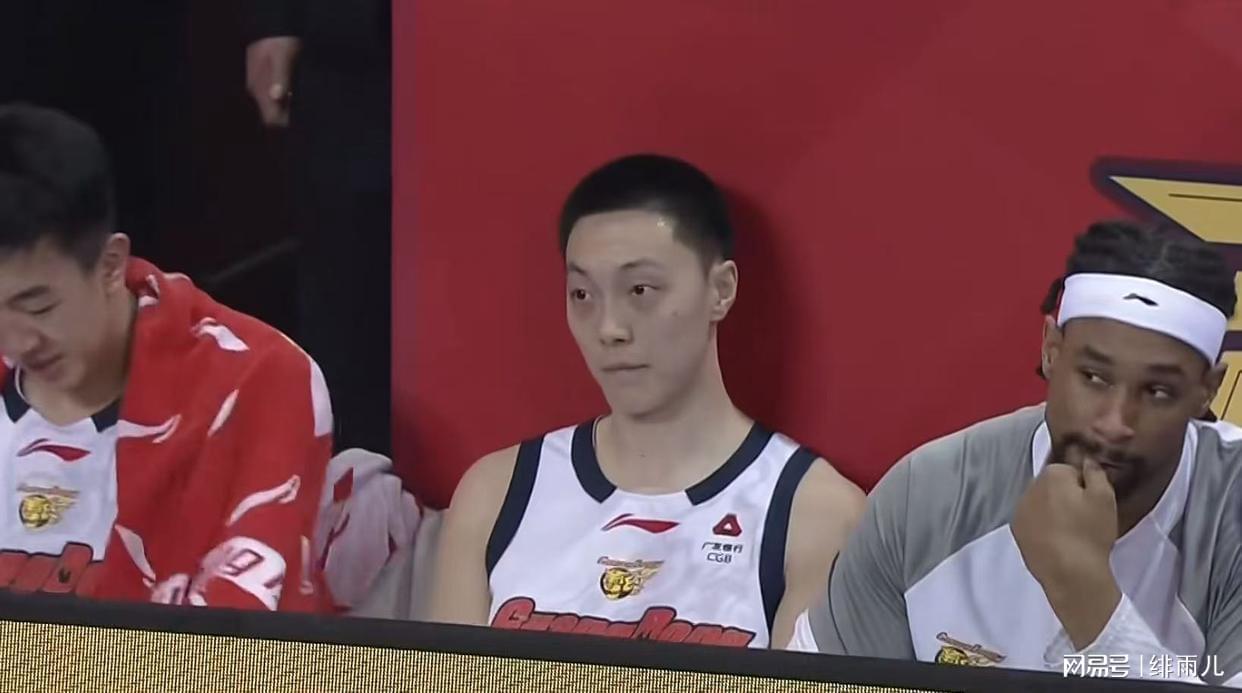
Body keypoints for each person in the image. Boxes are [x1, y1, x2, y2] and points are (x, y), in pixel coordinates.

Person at [427, 154, 864, 648]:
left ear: (721, 290)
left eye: (640, 289)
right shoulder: (497, 495)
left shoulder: (814, 515)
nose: (609, 328)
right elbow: (442, 677)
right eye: (582, 295)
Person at [791, 221, 1242, 686]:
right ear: (1051, 350)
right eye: (1094, 377)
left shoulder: (1231, 510)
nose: (1114, 422)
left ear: (1207, 391)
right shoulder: (927, 497)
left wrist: (1085, 593)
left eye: (1158, 392)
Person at [0, 103, 333, 611]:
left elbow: (238, 638)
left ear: (110, 265)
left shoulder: (256, 382)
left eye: (38, 307)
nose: (16, 343)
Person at [241, 0, 392, 457]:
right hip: (348, 52)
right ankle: (350, 471)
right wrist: (272, 19)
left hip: (494, 39)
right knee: (345, 286)